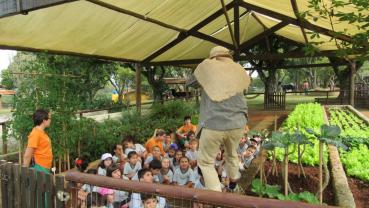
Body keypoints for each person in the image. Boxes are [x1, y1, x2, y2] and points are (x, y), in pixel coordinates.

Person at [186, 46, 250, 192]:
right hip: (237, 123)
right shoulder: (237, 68)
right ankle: (234, 178)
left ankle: (217, 196)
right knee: (231, 151)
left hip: (214, 124)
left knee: (205, 161)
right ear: (228, 56)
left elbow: (189, 83)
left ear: (212, 57)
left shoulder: (208, 67)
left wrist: (203, 67)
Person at [23, 109, 53, 173]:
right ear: (44, 120)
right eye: (50, 118)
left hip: (45, 167)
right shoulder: (35, 134)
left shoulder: (41, 132)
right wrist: (25, 172)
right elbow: (27, 155)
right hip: (40, 168)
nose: (51, 120)